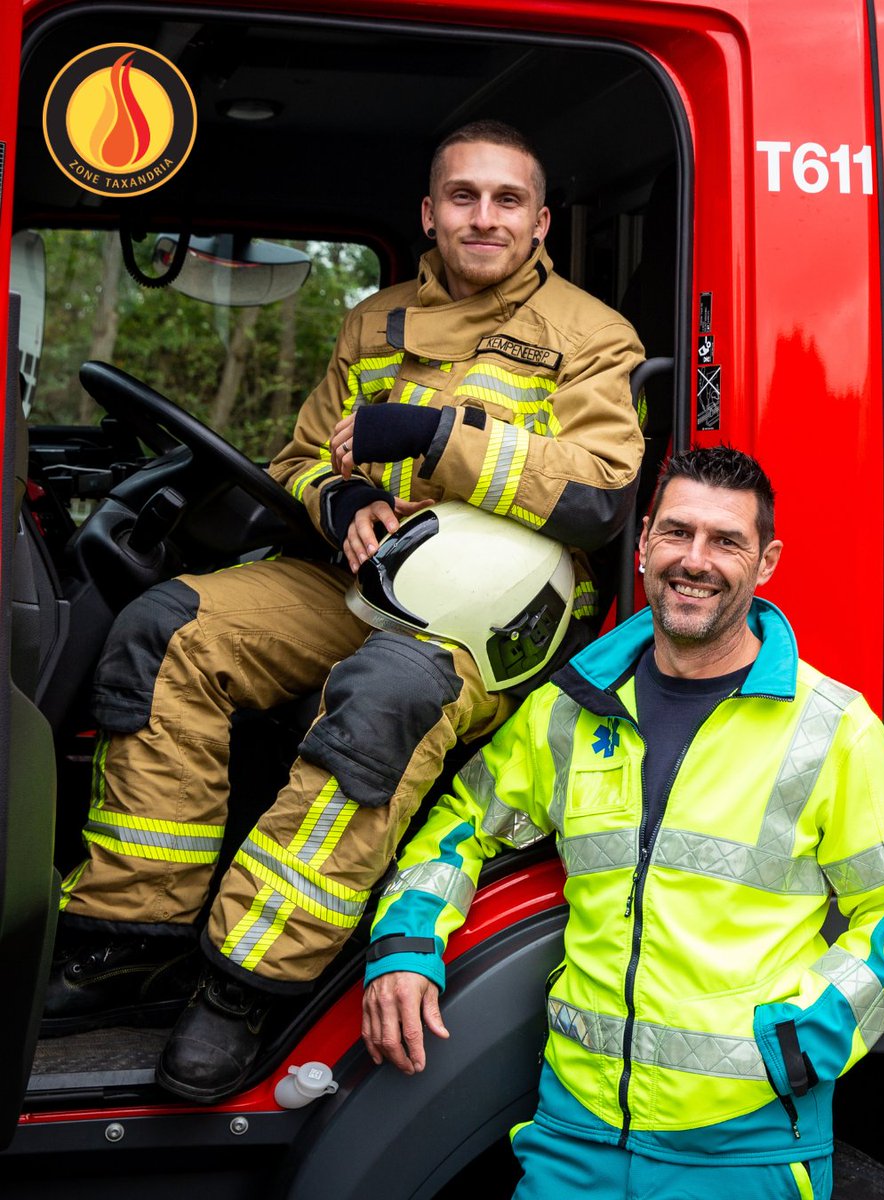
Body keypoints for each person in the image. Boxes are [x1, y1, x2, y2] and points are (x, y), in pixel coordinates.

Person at [42, 120, 646, 1104]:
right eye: (462, 197)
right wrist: (335, 498)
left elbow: (600, 497)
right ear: (429, 213)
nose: (482, 217)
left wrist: (439, 438)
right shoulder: (374, 322)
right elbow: (303, 456)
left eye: (505, 201)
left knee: (382, 698)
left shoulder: (590, 337)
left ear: (539, 222)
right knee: (167, 626)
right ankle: (129, 934)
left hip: (478, 626)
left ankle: (248, 984)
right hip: (358, 581)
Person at [363, 447, 884, 1200]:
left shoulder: (833, 728)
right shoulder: (569, 709)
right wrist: (406, 944)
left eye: (726, 541)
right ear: (643, 545)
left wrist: (801, 1045)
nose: (694, 560)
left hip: (744, 1145)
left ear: (766, 563)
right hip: (573, 1137)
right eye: (677, 533)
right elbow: (462, 821)